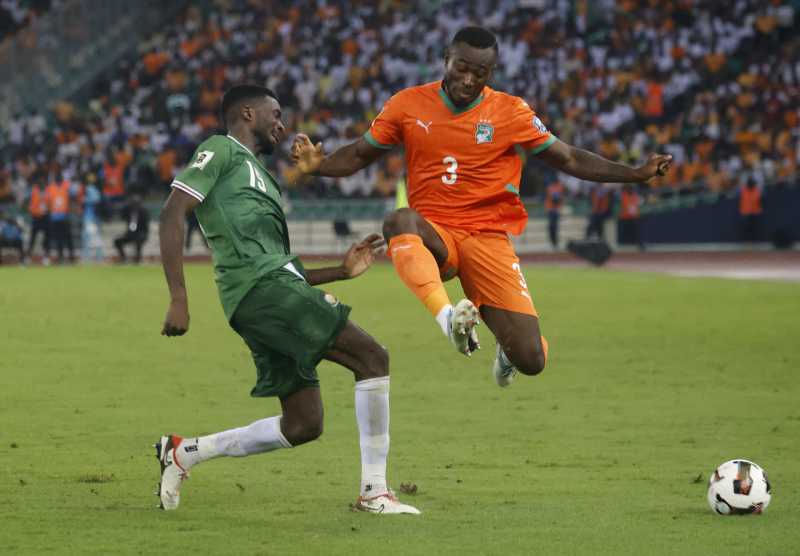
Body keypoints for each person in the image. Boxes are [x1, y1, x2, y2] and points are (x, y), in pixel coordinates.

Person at [292, 26, 672, 388]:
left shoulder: (511, 112)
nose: (469, 79)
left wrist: (634, 174)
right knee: (399, 220)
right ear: (446, 58)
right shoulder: (407, 104)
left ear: (492, 72)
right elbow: (360, 153)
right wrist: (318, 166)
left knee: (531, 359)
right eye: (462, 67)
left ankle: (507, 352)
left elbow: (569, 158)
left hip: (487, 238)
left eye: (481, 72)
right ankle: (449, 319)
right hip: (436, 234)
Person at [156, 84, 419, 515]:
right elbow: (172, 211)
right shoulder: (220, 150)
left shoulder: (263, 178)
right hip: (263, 293)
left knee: (303, 423)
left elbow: (277, 264)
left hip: (266, 294)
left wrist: (339, 271)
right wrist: (179, 297)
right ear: (247, 113)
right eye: (275, 114)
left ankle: (184, 452)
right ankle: (375, 492)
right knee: (372, 357)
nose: (281, 124)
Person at [44, 172, 75, 263]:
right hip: (55, 217)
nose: (59, 180)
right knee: (59, 238)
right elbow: (47, 201)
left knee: (68, 238)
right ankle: (61, 256)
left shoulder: (66, 186)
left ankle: (71, 256)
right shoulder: (51, 188)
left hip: (64, 216)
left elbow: (72, 196)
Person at [113, 194, 150, 263]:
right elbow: (122, 214)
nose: (134, 205)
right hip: (130, 234)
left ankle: (137, 259)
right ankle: (123, 258)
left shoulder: (143, 211)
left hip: (140, 233)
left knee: (138, 241)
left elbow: (145, 227)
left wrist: (142, 234)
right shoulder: (129, 211)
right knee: (117, 241)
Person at [24, 175, 50, 264]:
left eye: (43, 182)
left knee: (46, 238)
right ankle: (27, 257)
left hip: (45, 216)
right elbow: (26, 201)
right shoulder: (33, 191)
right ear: (38, 184)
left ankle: (46, 257)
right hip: (36, 217)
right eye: (40, 183)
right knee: (33, 238)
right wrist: (30, 209)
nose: (42, 184)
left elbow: (50, 202)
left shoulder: (48, 191)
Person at [738, 179, 763, 243]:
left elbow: (759, 200)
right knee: (745, 228)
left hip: (755, 212)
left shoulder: (757, 190)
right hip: (745, 212)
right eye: (750, 184)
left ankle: (755, 241)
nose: (751, 185)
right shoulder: (743, 190)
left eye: (752, 184)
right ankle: (746, 241)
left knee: (755, 228)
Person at [544, 181, 565, 249]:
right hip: (551, 209)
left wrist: (560, 207)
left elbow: (559, 198)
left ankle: (555, 242)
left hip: (556, 209)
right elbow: (550, 198)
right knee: (551, 226)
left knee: (554, 227)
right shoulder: (550, 187)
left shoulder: (559, 187)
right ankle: (553, 242)